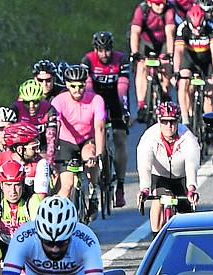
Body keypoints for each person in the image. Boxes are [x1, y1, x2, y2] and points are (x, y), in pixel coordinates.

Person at [136, 101, 201, 234]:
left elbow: (191, 165)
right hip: (160, 176)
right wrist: (145, 189)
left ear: (178, 121)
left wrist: (191, 188)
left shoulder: (188, 138)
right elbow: (145, 165)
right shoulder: (149, 137)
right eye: (165, 122)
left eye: (173, 122)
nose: (169, 126)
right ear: (159, 121)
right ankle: (155, 237)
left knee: (187, 220)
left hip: (182, 177)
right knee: (159, 200)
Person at [82, 31, 131, 208]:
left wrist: (123, 110)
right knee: (94, 136)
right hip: (94, 99)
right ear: (95, 50)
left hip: (116, 100)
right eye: (101, 51)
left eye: (107, 50)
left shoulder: (120, 59)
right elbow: (87, 88)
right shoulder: (87, 60)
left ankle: (120, 185)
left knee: (119, 139)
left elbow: (123, 87)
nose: (104, 54)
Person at [51, 64, 106, 203]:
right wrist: (52, 154)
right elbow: (55, 127)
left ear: (85, 84)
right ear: (67, 85)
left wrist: (99, 154)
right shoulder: (58, 100)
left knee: (90, 157)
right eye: (73, 86)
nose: (77, 90)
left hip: (87, 140)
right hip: (66, 142)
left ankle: (93, 191)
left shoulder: (96, 99)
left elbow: (99, 127)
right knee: (67, 186)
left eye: (80, 86)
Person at [174, 4, 213, 124]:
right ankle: (185, 117)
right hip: (190, 60)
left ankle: (208, 121)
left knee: (210, 89)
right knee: (183, 82)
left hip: (206, 61)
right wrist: (176, 71)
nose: (197, 31)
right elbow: (178, 51)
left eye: (200, 28)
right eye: (194, 29)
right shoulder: (182, 28)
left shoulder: (211, 27)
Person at [129, 0, 176, 122]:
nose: (160, 6)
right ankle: (141, 104)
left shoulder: (169, 9)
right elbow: (135, 32)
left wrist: (169, 55)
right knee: (141, 66)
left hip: (163, 42)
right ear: (150, 3)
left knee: (166, 65)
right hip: (146, 43)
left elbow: (170, 32)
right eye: (157, 4)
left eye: (162, 3)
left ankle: (165, 93)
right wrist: (135, 53)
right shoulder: (142, 10)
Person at [0, 160, 43, 257]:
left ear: (23, 185)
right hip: (0, 246)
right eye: (8, 185)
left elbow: (40, 231)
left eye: (17, 185)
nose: (12, 191)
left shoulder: (32, 199)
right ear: (1, 185)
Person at [0, 122, 51, 199]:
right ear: (20, 149)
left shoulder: (41, 163)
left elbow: (40, 199)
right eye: (33, 148)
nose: (38, 151)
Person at [12, 79, 58, 164]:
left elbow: (51, 139)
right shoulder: (16, 108)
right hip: (21, 147)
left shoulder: (48, 109)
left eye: (35, 102)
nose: (31, 106)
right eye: (27, 102)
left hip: (42, 147)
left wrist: (50, 162)